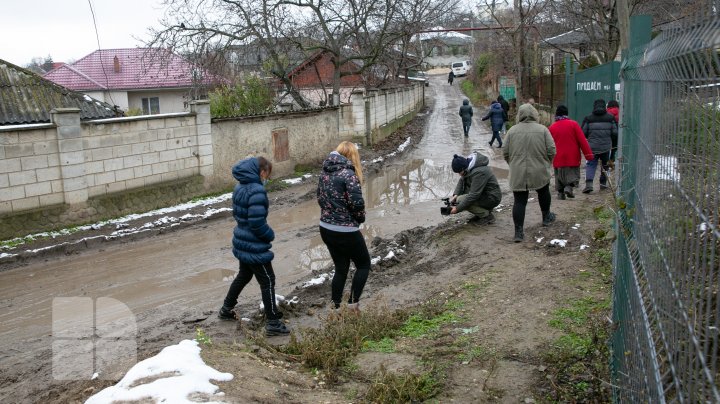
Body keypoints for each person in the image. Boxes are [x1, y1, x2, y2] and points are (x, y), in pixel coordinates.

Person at [219, 156, 290, 336]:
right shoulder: (257, 190)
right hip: (254, 245)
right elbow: (257, 222)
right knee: (268, 281)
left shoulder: (239, 187)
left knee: (244, 275)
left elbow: (239, 214)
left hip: (242, 239)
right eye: (267, 174)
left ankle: (226, 309)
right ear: (262, 171)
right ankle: (273, 323)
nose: (267, 178)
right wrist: (269, 235)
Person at [317, 141, 371, 312]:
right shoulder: (349, 174)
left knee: (341, 268)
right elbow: (357, 204)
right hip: (346, 230)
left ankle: (335, 308)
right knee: (363, 265)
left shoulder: (324, 172)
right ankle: (353, 305)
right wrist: (360, 219)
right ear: (352, 156)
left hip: (325, 227)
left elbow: (319, 197)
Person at [503, 103, 557, 242]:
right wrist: (546, 163)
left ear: (519, 115)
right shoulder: (543, 130)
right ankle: (546, 217)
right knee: (544, 191)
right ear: (535, 114)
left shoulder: (512, 131)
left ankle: (518, 233)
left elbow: (505, 152)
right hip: (539, 169)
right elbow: (552, 150)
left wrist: (513, 164)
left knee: (519, 201)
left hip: (518, 171)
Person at [548, 105, 594, 200]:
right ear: (567, 114)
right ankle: (569, 187)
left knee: (559, 176)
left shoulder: (552, 127)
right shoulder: (573, 124)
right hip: (572, 156)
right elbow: (582, 141)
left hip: (558, 157)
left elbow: (549, 144)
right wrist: (588, 155)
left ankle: (560, 193)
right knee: (573, 176)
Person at [448, 152, 502, 225]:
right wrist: (456, 194)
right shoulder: (470, 166)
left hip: (492, 198)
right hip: (486, 195)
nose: (459, 174)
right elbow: (462, 179)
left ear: (463, 168)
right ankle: (482, 213)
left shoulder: (479, 172)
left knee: (461, 200)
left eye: (459, 172)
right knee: (459, 197)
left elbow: (473, 195)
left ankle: (486, 216)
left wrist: (457, 209)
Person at [580, 99, 618, 193]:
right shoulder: (610, 118)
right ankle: (603, 184)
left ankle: (589, 184)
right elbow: (615, 133)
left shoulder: (588, 118)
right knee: (605, 165)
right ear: (604, 107)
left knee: (591, 164)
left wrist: (590, 137)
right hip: (606, 147)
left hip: (592, 146)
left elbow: (583, 133)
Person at [606, 100, 620, 168]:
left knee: (607, 146)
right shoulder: (619, 111)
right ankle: (612, 159)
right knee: (615, 146)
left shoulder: (606, 111)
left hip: (608, 130)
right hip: (617, 130)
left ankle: (607, 160)